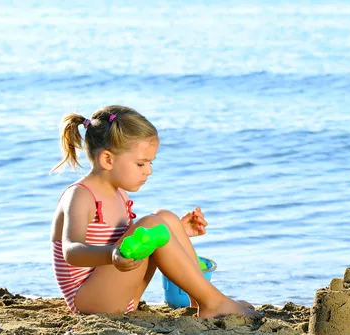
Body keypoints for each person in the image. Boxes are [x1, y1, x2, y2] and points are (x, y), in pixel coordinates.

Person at [50, 105, 260, 319]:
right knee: (151, 222)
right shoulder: (81, 195)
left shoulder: (118, 193)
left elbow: (127, 239)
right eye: (141, 164)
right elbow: (72, 252)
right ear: (108, 160)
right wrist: (113, 255)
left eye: (150, 163)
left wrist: (174, 230)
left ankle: (202, 301)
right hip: (90, 301)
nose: (149, 170)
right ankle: (214, 302)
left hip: (119, 293)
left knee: (164, 217)